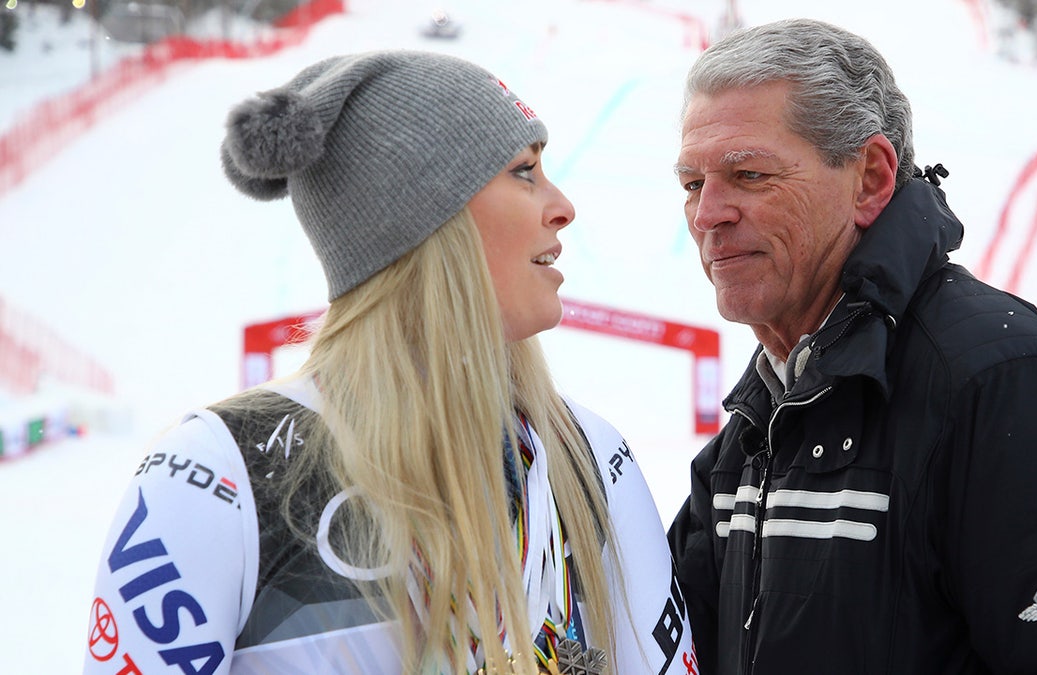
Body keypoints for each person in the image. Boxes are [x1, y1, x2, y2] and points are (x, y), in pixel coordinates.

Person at [83, 50, 697, 675]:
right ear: (423, 218)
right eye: (524, 172)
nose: (563, 205)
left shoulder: (587, 452)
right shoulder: (218, 472)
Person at [667, 18, 1037, 674]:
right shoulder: (759, 421)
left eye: (748, 174)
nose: (708, 213)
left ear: (870, 178)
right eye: (693, 184)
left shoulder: (999, 379)